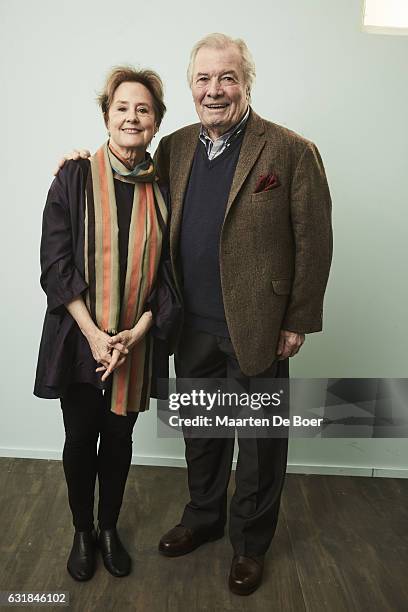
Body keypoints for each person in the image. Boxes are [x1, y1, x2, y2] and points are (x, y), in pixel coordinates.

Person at [57, 32, 333, 596]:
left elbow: (315, 242)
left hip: (259, 326)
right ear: (190, 87)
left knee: (258, 442)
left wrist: (297, 320)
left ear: (246, 83)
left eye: (226, 77)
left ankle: (250, 544)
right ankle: (204, 517)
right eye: (203, 79)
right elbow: (122, 173)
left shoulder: (289, 151)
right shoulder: (175, 148)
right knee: (203, 433)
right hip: (190, 326)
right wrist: (78, 158)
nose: (214, 90)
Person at [34, 66, 169, 582]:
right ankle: (81, 531)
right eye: (122, 108)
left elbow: (170, 275)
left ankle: (109, 527)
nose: (132, 117)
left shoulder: (162, 187)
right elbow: (55, 263)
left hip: (134, 344)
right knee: (79, 438)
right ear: (106, 115)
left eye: (143, 109)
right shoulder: (73, 176)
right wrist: (95, 335)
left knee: (118, 441)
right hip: (79, 339)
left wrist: (135, 335)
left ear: (156, 122)